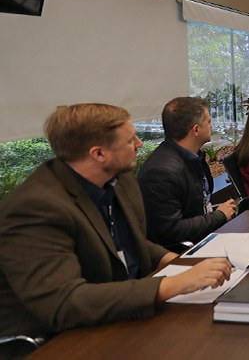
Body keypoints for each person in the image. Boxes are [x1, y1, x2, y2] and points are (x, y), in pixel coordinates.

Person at [0, 104, 231, 348]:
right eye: (130, 139)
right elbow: (65, 302)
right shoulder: (36, 208)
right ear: (98, 154)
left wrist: (179, 261)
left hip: (120, 314)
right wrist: (175, 283)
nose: (140, 144)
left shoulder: (118, 182)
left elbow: (130, 243)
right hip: (56, 340)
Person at [138, 97, 237, 249]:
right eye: (209, 122)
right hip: (182, 253)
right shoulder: (160, 172)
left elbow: (198, 207)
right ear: (196, 129)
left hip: (204, 239)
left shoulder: (194, 156)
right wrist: (219, 216)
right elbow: (170, 231)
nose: (212, 126)